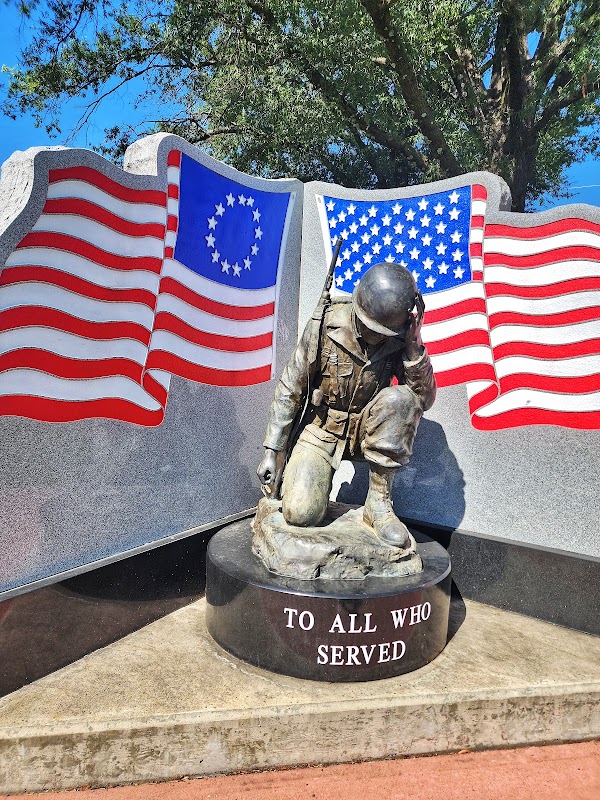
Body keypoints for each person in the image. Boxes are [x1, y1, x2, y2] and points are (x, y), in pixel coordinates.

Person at [257, 261, 436, 549]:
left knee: (402, 399)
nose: (377, 336)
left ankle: (378, 504)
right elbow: (291, 387)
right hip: (322, 430)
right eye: (370, 327)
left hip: (367, 431)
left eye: (384, 331)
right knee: (300, 514)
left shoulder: (399, 337)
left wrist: (414, 350)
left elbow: (423, 400)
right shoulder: (326, 323)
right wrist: (273, 451)